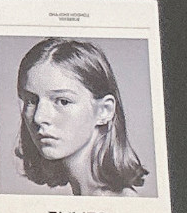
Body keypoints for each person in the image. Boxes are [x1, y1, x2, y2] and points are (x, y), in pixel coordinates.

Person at [13, 36, 150, 196]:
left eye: (63, 101)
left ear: (104, 110)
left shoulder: (119, 202)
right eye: (31, 101)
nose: (39, 117)